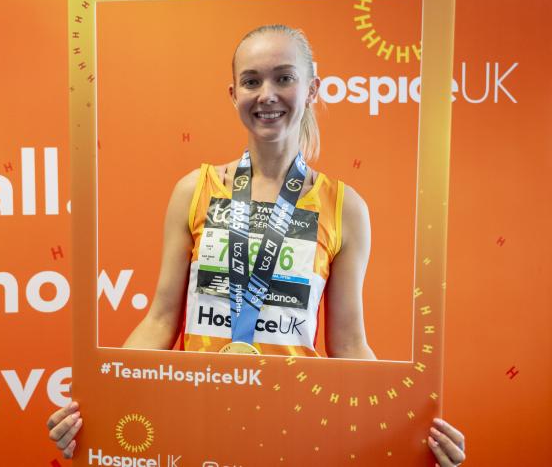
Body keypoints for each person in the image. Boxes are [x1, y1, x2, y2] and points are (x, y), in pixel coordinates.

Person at [48, 25, 466, 465]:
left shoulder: (344, 207)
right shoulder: (195, 189)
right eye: (252, 81)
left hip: (290, 426)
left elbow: (348, 345)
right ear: (234, 94)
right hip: (195, 419)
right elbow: (160, 320)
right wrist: (98, 402)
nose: (267, 94)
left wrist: (407, 427)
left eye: (284, 77)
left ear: (312, 89)